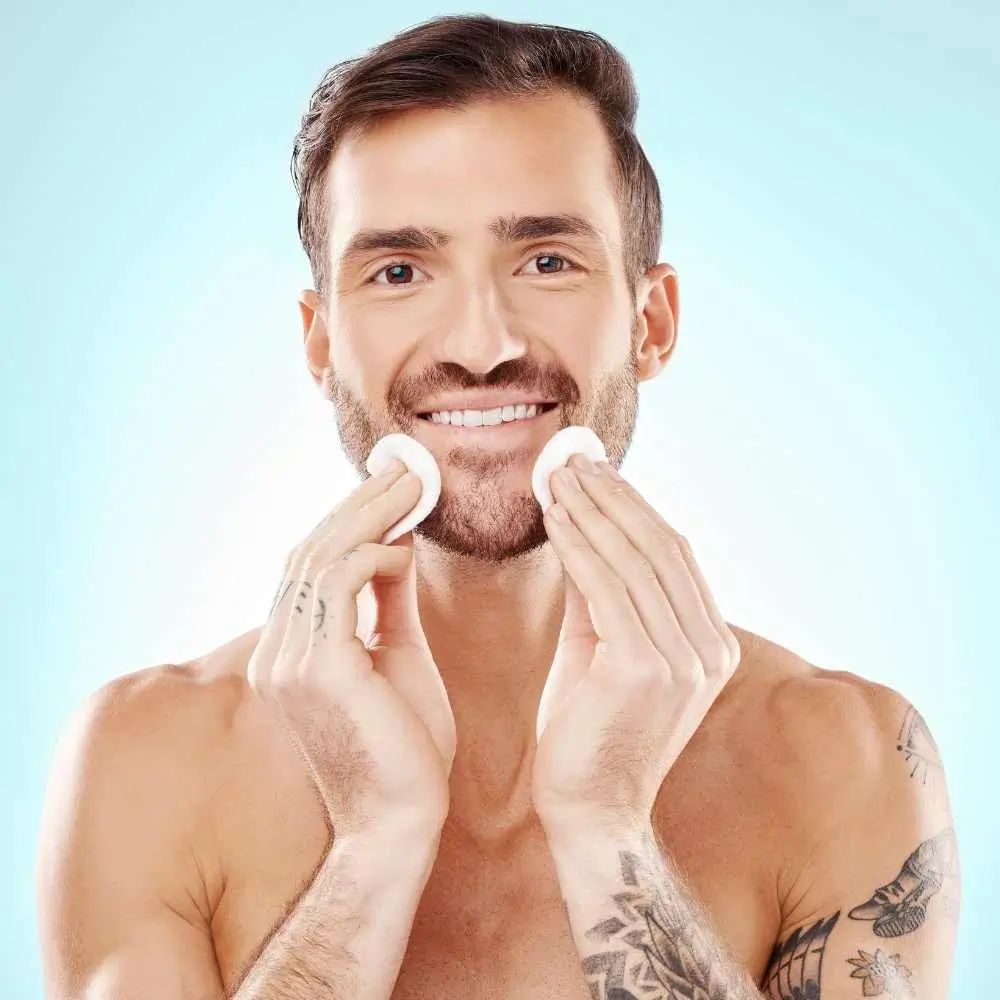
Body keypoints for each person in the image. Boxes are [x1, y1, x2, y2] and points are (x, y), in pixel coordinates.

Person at [36, 14, 961, 1000]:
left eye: (546, 260)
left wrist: (610, 831)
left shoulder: (846, 760)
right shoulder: (148, 760)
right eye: (398, 271)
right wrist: (372, 851)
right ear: (320, 344)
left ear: (651, 322)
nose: (480, 344)